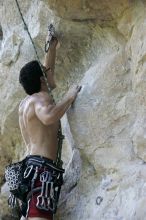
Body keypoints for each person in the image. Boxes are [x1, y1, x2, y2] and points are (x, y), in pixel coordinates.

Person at [18, 36, 81, 220]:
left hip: (30, 170)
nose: (49, 71)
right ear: (42, 79)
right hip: (42, 172)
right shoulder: (41, 99)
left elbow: (46, 71)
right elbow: (48, 116)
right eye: (45, 72)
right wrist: (69, 97)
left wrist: (51, 47)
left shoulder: (25, 103)